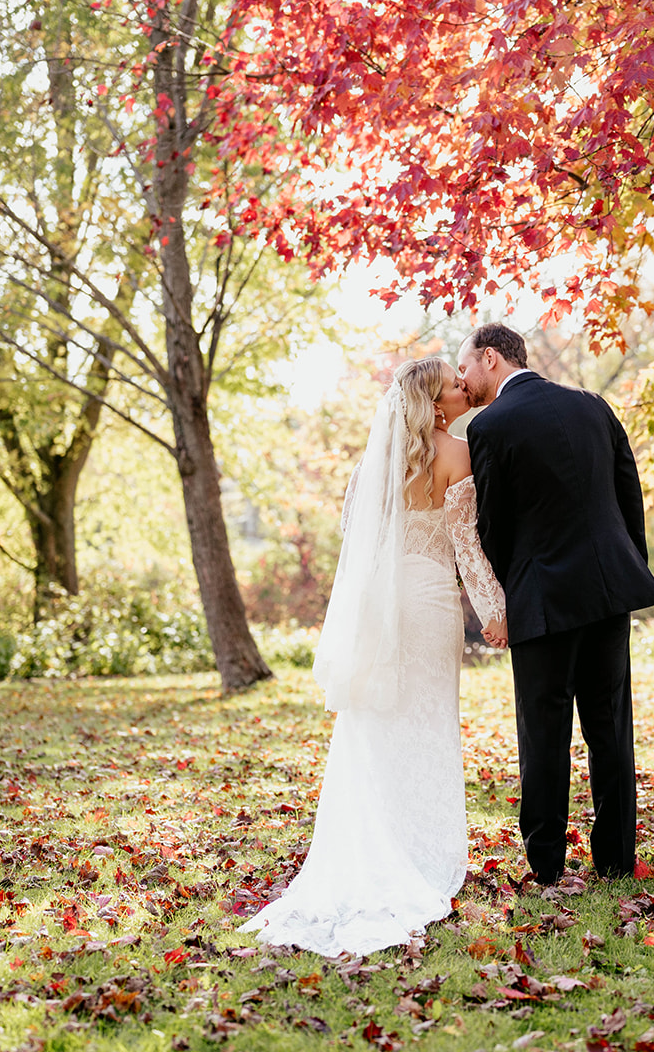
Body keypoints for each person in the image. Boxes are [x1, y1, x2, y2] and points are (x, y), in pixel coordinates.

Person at [241, 357, 506, 956]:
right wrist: (494, 608)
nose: (465, 387)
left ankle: (370, 841)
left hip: (382, 606)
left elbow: (353, 536)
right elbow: (468, 548)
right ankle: (418, 853)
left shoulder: (371, 466)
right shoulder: (456, 455)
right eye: (454, 385)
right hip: (431, 603)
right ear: (435, 403)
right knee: (428, 724)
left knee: (377, 723)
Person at [457, 323, 654, 886]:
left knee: (543, 732)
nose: (463, 379)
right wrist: (625, 567)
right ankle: (617, 859)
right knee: (611, 727)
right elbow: (628, 492)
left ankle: (547, 864)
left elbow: (491, 524)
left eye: (466, 366)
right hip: (607, 589)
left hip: (541, 596)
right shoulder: (593, 406)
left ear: (492, 358)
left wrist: (508, 589)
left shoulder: (490, 425)